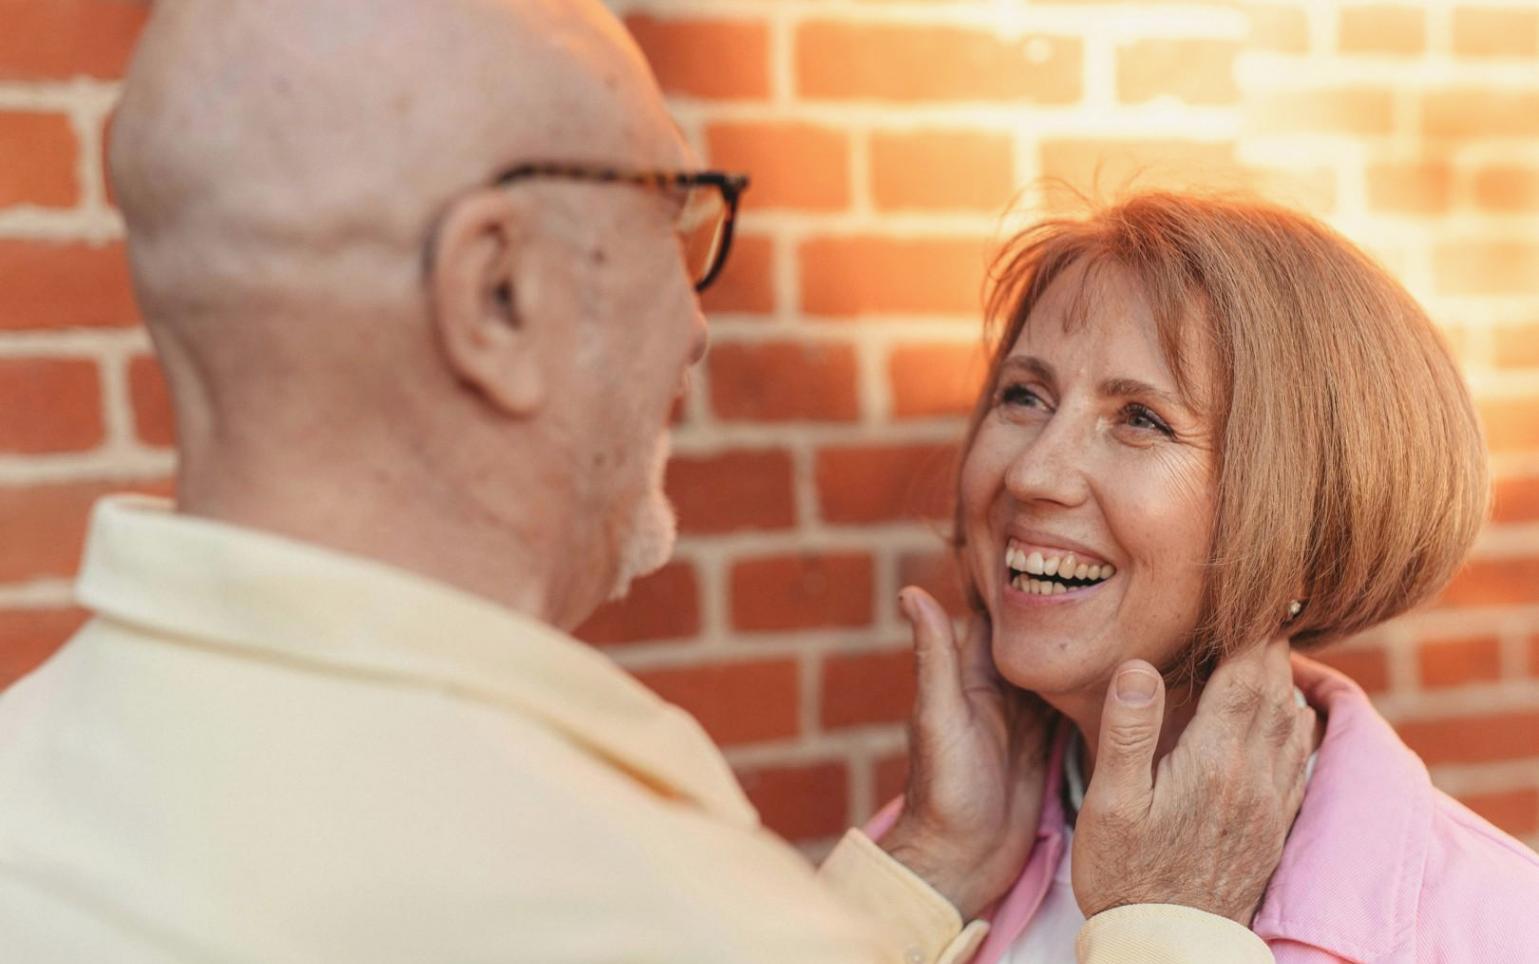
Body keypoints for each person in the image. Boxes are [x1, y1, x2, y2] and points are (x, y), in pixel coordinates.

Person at [0, 3, 1311, 961]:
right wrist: (1166, 934)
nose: (692, 329)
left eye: (1137, 419)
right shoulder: (635, 905)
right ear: (496, 293)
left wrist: (923, 873)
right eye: (666, 217)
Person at [866, 191, 1539, 963]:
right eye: (1025, 396)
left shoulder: (1497, 929)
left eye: (1139, 418)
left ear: (1305, 516)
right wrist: (929, 866)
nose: (1032, 472)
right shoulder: (923, 851)